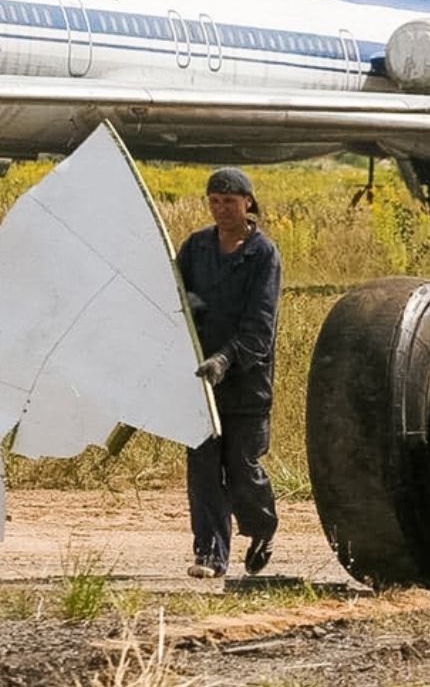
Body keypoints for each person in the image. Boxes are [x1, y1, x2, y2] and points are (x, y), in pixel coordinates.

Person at [177, 166, 282, 580]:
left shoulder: (263, 254)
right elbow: (175, 295)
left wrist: (225, 359)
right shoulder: (196, 247)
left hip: (245, 382)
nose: (221, 209)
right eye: (215, 201)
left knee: (242, 468)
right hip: (201, 382)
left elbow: (260, 325)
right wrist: (188, 306)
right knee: (203, 469)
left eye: (230, 201)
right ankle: (209, 554)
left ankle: (261, 530)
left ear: (247, 203)